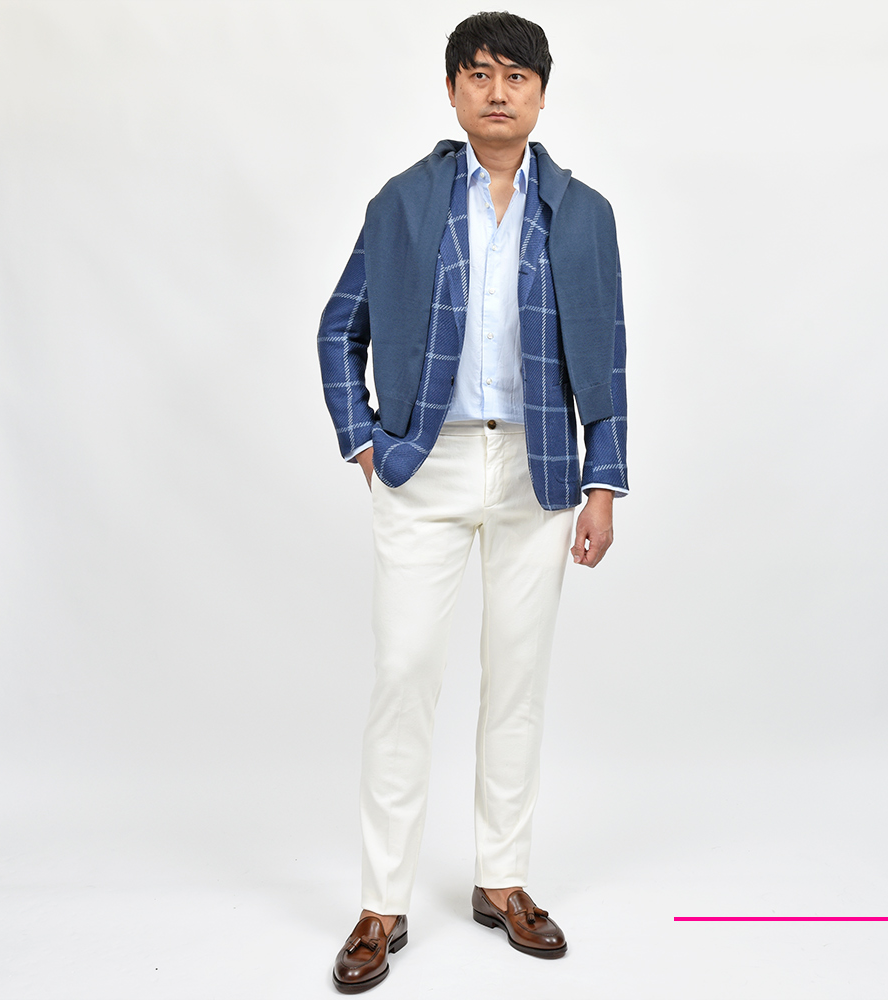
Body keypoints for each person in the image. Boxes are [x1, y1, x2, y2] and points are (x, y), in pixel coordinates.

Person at [317, 11, 628, 993]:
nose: (498, 92)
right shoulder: (403, 203)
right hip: (426, 466)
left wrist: (603, 481)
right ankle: (382, 901)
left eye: (516, 77)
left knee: (517, 677)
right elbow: (339, 327)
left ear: (541, 93)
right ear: (453, 89)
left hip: (539, 470)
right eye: (480, 74)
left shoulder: (582, 214)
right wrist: (365, 439)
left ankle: (502, 879)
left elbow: (608, 355)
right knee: (405, 672)